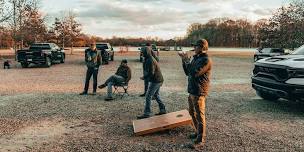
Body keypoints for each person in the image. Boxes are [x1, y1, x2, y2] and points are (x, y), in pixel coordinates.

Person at [179, 39, 212, 150]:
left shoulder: (206, 60)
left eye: (196, 46)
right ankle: (197, 132)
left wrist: (186, 61)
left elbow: (194, 73)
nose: (194, 48)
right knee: (191, 112)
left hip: (199, 91)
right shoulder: (196, 58)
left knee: (199, 115)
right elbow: (187, 72)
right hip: (192, 90)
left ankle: (200, 140)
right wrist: (184, 61)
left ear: (202, 48)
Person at [137, 46, 166, 119]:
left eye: (142, 52)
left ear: (146, 52)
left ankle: (147, 113)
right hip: (158, 80)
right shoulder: (148, 58)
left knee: (148, 96)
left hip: (156, 81)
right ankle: (162, 109)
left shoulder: (150, 60)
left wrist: (144, 77)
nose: (141, 53)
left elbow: (151, 73)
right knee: (156, 95)